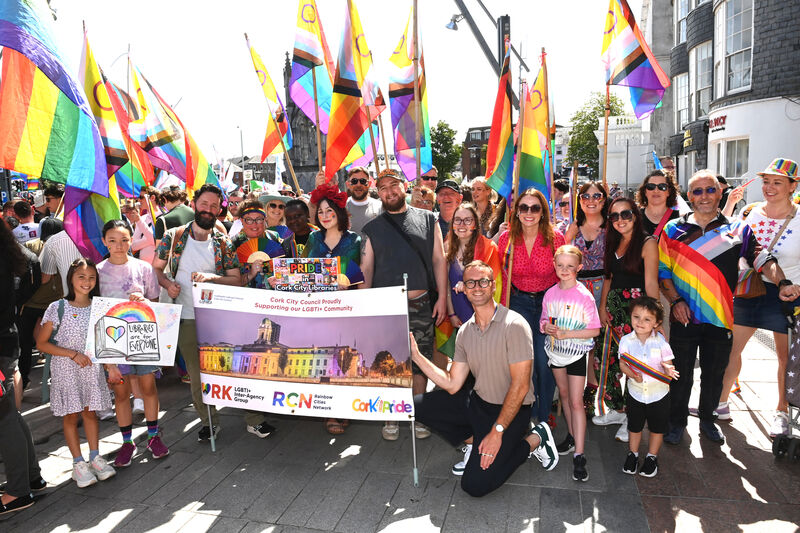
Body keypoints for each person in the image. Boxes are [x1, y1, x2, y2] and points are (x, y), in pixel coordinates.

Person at [659, 170, 795, 445]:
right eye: (698, 191)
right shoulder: (673, 229)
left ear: (720, 193)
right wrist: (675, 301)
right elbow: (663, 272)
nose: (704, 196)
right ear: (689, 196)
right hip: (684, 316)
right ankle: (677, 422)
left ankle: (708, 420)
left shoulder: (738, 229)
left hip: (721, 317)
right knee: (681, 374)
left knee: (714, 373)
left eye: (710, 190)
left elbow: (763, 259)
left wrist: (782, 282)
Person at [412, 260, 558, 497]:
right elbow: (453, 384)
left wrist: (497, 432)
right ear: (464, 289)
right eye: (470, 283)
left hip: (512, 411)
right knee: (417, 405)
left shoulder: (514, 325)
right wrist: (417, 357)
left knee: (475, 486)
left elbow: (520, 386)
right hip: (479, 405)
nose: (477, 287)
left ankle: (534, 439)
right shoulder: (465, 331)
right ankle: (475, 442)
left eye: (483, 281)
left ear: (493, 286)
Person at [152, 184, 252, 441]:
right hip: (185, 316)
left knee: (235, 370)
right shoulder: (173, 236)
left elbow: (236, 280)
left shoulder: (222, 242)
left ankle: (254, 420)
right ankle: (209, 421)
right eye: (204, 204)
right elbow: (157, 269)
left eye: (214, 206)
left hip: (218, 318)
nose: (208, 209)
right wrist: (167, 284)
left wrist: (211, 278)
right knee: (197, 376)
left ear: (219, 210)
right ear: (194, 204)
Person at [362, 168, 447, 441]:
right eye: (383, 187)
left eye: (393, 185)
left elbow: (439, 260)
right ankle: (392, 414)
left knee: (421, 361)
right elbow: (366, 270)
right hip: (386, 307)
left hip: (421, 303)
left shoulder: (428, 219)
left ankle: (419, 413)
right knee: (389, 361)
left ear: (404, 186)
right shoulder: (372, 229)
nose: (389, 191)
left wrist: (443, 298)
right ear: (378, 193)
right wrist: (364, 308)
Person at [720, 158, 800, 436]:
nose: (769, 187)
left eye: (777, 182)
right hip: (750, 289)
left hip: (788, 294)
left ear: (792, 186)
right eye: (766, 181)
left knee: (785, 358)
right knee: (732, 348)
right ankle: (720, 402)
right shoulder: (752, 213)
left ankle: (782, 413)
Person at [35, 258, 117, 488]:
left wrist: (110, 366)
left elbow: (104, 342)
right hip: (66, 370)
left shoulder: (99, 307)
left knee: (90, 413)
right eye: (81, 276)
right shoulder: (57, 307)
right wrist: (71, 354)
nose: (86, 282)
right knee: (71, 415)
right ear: (71, 278)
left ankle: (95, 457)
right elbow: (42, 343)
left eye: (91, 277)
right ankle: (78, 464)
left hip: (90, 370)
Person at [96, 220, 169, 467]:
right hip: (113, 340)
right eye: (113, 240)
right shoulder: (97, 272)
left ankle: (153, 435)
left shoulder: (144, 268)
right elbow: (96, 311)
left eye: (125, 240)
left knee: (148, 387)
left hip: (142, 336)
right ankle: (127, 442)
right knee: (121, 393)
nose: (119, 245)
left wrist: (144, 302)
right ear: (104, 241)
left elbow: (155, 304)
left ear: (131, 241)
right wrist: (107, 361)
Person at [593, 198, 659, 443]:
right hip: (613, 310)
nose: (620, 220)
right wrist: (602, 308)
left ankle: (633, 419)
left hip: (636, 313)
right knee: (606, 362)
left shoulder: (647, 243)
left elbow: (651, 282)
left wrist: (654, 319)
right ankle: (618, 410)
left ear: (635, 215)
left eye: (626, 214)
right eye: (614, 216)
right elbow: (608, 278)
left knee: (634, 365)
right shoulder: (613, 241)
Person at [497, 189, 565, 426]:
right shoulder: (507, 239)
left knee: (544, 362)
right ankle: (526, 413)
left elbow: (564, 274)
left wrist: (563, 310)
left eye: (535, 208)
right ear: (516, 212)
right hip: (519, 302)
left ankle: (544, 417)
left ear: (543, 212)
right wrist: (501, 313)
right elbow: (503, 276)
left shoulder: (556, 238)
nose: (529, 212)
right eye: (523, 207)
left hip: (548, 304)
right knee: (525, 361)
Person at [301, 183, 363, 435]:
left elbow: (356, 276)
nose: (325, 216)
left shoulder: (354, 240)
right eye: (321, 212)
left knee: (343, 357)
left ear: (339, 212)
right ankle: (330, 410)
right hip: (318, 309)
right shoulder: (313, 239)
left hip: (345, 309)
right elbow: (302, 272)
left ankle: (344, 407)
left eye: (329, 211)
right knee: (323, 358)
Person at [540, 245, 601, 482]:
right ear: (554, 266)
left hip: (576, 354)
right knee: (564, 395)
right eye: (560, 265)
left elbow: (594, 330)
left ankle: (580, 454)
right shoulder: (550, 294)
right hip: (556, 353)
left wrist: (569, 334)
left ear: (579, 268)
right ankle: (573, 437)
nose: (564, 270)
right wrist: (547, 327)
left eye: (570, 266)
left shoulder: (584, 296)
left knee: (576, 401)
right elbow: (543, 321)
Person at [0, 218, 43, 515]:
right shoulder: (9, 253)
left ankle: (18, 491)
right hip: (7, 340)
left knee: (4, 418)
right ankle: (30, 478)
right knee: (9, 416)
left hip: (2, 345)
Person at [619, 296, 679, 477]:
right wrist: (632, 375)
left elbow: (667, 363)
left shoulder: (661, 342)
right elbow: (623, 364)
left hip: (658, 394)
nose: (640, 322)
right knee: (634, 426)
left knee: (657, 428)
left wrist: (668, 368)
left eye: (647, 319)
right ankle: (633, 454)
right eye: (636, 317)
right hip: (636, 393)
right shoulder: (626, 341)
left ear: (657, 322)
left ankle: (652, 457)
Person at [18, 218, 63, 391]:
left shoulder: (30, 246)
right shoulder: (65, 246)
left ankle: (23, 379)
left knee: (25, 344)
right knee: (57, 343)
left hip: (30, 302)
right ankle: (56, 377)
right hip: (55, 302)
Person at [232, 199, 284, 289]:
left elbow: (284, 268)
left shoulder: (274, 238)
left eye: (259, 219)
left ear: (265, 219)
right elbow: (230, 281)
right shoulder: (233, 244)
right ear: (241, 221)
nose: (254, 224)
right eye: (249, 220)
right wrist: (250, 274)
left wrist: (280, 279)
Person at [637, 170, 680, 238]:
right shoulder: (634, 218)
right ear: (645, 191)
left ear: (669, 191)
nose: (656, 190)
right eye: (651, 186)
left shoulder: (680, 219)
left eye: (662, 186)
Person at [345, 166, 382, 238]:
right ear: (348, 184)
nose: (358, 185)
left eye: (363, 181)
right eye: (354, 181)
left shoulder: (380, 207)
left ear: (369, 184)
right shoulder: (341, 208)